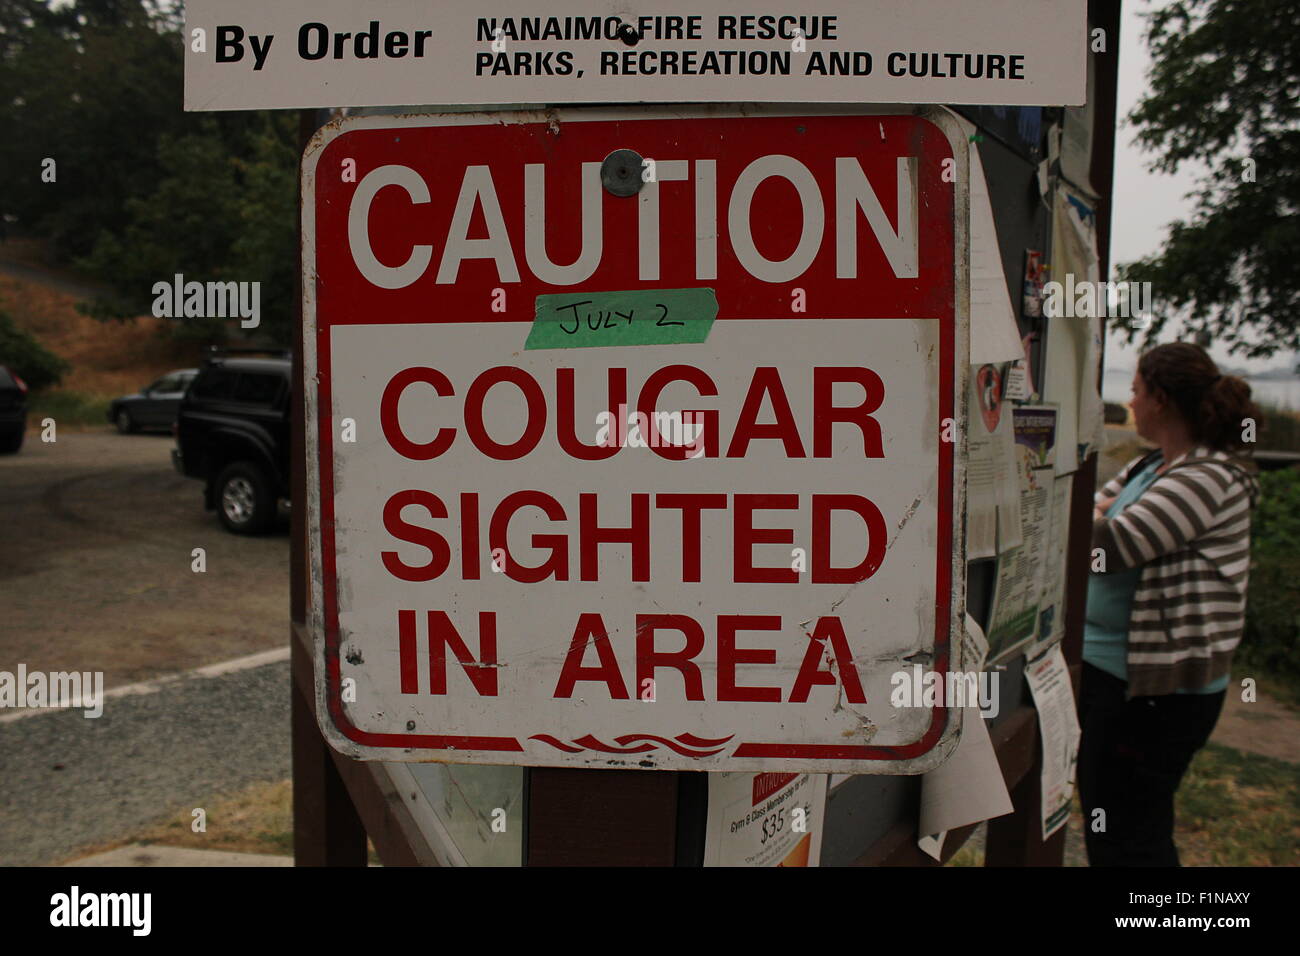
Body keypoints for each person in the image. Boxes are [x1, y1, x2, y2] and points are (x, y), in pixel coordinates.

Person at [1078, 341, 1260, 867]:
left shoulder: (1207, 476)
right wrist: (1100, 518)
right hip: (1115, 677)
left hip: (1156, 692)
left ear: (1159, 398)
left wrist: (1101, 522)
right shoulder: (1152, 466)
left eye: (1135, 390)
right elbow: (1093, 516)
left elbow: (1103, 547)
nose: (1128, 401)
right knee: (1112, 824)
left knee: (1130, 837)